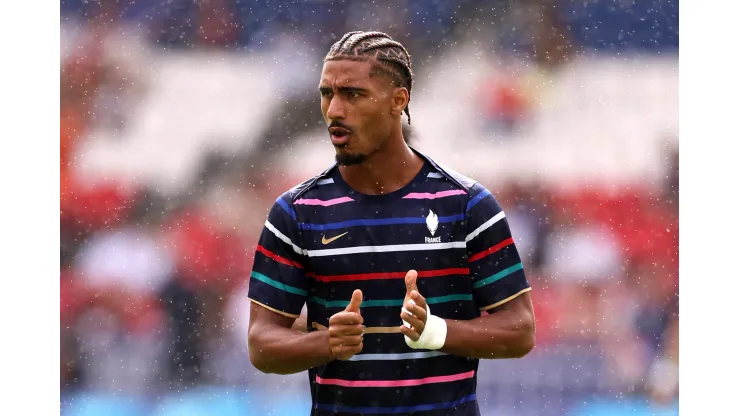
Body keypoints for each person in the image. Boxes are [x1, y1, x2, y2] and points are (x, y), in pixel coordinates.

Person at [247, 31, 535, 415]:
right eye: (326, 94)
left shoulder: (466, 205)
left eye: (353, 94)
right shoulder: (297, 212)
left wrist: (437, 332)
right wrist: (328, 342)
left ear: (398, 100)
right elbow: (262, 343)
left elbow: (520, 330)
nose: (334, 109)